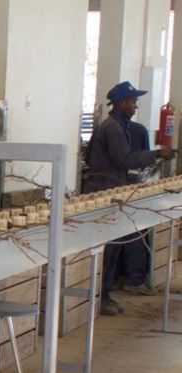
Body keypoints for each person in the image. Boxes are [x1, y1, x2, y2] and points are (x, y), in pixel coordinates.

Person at [83, 81, 174, 315]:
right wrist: (156, 154)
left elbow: (94, 157)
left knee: (113, 247)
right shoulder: (112, 128)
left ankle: (105, 294)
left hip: (111, 188)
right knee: (109, 248)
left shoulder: (117, 127)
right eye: (133, 102)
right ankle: (101, 297)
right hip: (105, 191)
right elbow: (124, 160)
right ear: (122, 103)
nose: (135, 106)